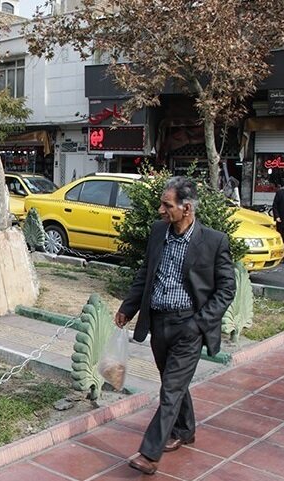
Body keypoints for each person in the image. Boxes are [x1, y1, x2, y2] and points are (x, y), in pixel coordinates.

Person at [114, 176, 236, 475]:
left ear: (187, 208)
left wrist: (199, 324)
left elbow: (226, 289)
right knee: (173, 382)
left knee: (170, 389)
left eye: (167, 205)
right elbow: (146, 273)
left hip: (188, 327)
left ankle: (149, 453)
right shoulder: (159, 232)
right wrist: (128, 308)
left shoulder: (214, 241)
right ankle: (185, 429)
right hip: (158, 323)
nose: (161, 210)